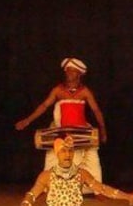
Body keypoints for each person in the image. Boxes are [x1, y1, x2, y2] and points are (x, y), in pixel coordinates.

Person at [15, 57, 106, 192]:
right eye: (67, 71)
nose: (69, 74)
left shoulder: (85, 91)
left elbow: (96, 110)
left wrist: (103, 130)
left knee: (92, 160)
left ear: (79, 74)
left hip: (81, 131)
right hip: (63, 131)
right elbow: (44, 105)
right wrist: (27, 120)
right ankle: (49, 188)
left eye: (72, 71)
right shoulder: (59, 90)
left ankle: (98, 190)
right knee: (54, 159)